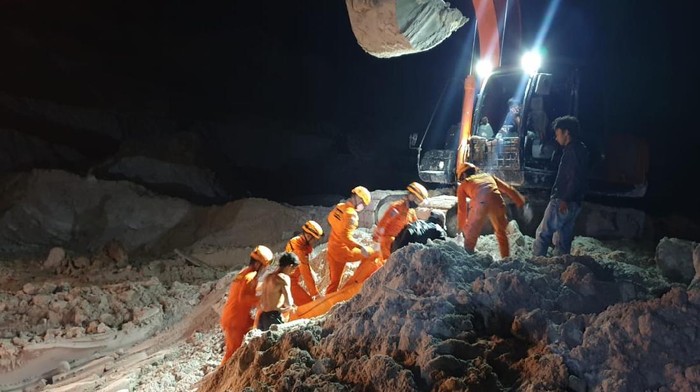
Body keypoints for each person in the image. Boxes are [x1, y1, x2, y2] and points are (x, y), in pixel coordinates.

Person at [533, 116, 589, 256]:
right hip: (575, 201)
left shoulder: (571, 152)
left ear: (566, 133)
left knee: (543, 234)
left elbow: (572, 177)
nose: (556, 138)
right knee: (563, 238)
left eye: (558, 133)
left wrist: (564, 198)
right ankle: (560, 265)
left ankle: (536, 261)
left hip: (563, 200)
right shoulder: (581, 149)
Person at [456, 162, 526, 258]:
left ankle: (468, 256)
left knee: (472, 233)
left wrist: (460, 228)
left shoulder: (464, 185)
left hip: (480, 204)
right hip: (497, 202)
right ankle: (505, 258)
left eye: (460, 178)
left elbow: (462, 210)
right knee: (501, 233)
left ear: (463, 174)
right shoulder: (488, 176)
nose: (461, 180)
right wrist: (520, 201)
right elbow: (508, 189)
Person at [220, 245, 273, 363]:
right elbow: (243, 298)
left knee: (256, 333)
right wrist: (261, 299)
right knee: (231, 353)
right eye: (265, 266)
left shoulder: (245, 273)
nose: (265, 269)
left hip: (239, 317)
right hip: (235, 320)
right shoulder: (250, 276)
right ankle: (219, 379)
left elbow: (247, 290)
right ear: (258, 264)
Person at [326, 186, 376, 294]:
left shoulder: (340, 207)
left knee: (334, 282)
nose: (363, 205)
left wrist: (339, 229)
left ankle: (325, 304)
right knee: (371, 253)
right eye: (363, 202)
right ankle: (356, 282)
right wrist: (361, 247)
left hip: (332, 249)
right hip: (343, 252)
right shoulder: (352, 215)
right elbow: (346, 237)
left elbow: (330, 219)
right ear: (357, 198)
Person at [373, 182, 429, 260]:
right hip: (388, 245)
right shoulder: (396, 208)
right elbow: (383, 224)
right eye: (418, 200)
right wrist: (376, 242)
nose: (418, 204)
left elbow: (415, 227)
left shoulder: (411, 212)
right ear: (411, 196)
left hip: (400, 245)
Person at [258, 252, 300, 331]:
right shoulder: (283, 278)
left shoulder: (267, 277)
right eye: (294, 269)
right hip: (273, 318)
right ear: (289, 266)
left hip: (262, 318)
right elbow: (288, 303)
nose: (293, 272)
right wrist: (291, 307)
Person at [285, 220, 324, 306]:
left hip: (287, 280)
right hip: (290, 283)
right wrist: (315, 294)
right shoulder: (300, 250)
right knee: (308, 305)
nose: (314, 242)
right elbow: (305, 273)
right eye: (314, 239)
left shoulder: (296, 241)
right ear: (308, 236)